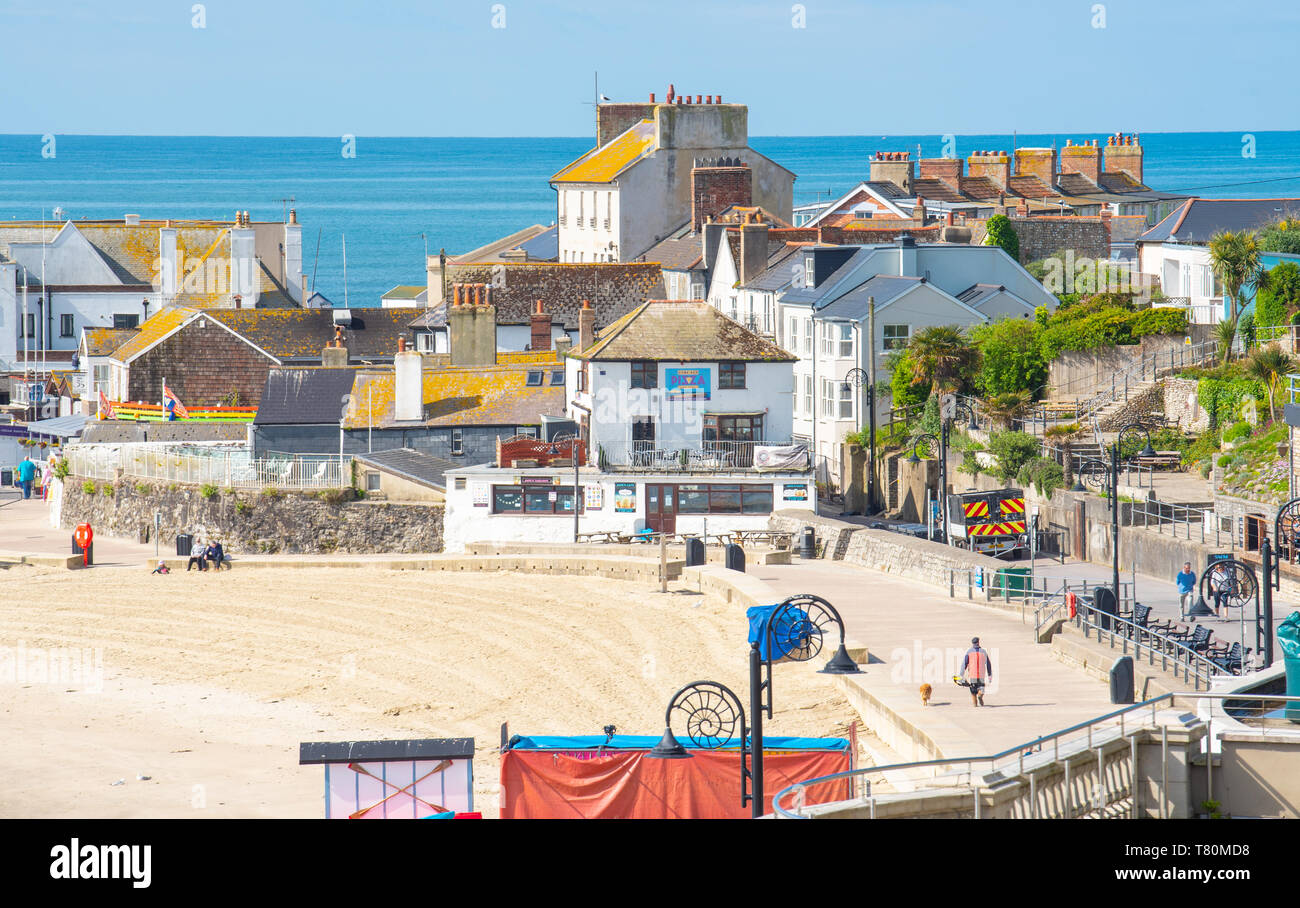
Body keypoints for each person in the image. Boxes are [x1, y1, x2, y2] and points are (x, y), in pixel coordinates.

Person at [961, 637, 993, 707]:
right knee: (981, 689)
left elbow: (964, 664)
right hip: (981, 676)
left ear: (972, 643)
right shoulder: (983, 651)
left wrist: (961, 674)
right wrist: (990, 675)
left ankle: (975, 704)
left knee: (973, 693)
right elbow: (988, 664)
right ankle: (980, 695)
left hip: (972, 676)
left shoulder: (969, 652)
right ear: (978, 642)